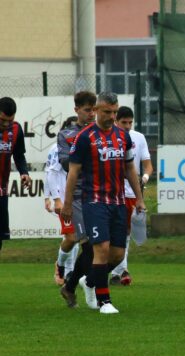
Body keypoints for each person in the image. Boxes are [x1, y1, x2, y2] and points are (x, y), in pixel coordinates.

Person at [62, 92, 145, 314]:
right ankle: (104, 301)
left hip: (118, 202)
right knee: (101, 249)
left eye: (115, 112)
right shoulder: (84, 137)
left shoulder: (123, 136)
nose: (112, 116)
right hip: (94, 201)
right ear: (96, 110)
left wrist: (139, 198)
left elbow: (129, 168)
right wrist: (67, 204)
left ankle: (89, 281)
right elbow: (73, 173)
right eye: (107, 111)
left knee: (117, 255)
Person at [57, 91, 97, 308]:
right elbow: (65, 162)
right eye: (87, 110)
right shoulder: (67, 135)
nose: (91, 114)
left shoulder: (101, 132)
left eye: (94, 110)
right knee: (90, 247)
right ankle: (76, 286)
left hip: (100, 194)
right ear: (77, 110)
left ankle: (71, 286)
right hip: (79, 196)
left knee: (103, 248)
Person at [109, 106, 153, 286]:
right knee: (111, 232)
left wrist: (145, 177)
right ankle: (115, 269)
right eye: (123, 122)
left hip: (131, 192)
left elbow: (148, 166)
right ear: (115, 121)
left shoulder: (138, 138)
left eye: (130, 122)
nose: (127, 126)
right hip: (111, 192)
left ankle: (120, 270)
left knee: (126, 231)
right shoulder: (108, 137)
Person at [43, 138, 79, 285]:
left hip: (83, 198)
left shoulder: (89, 142)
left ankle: (69, 270)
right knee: (72, 237)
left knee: (78, 237)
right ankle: (64, 267)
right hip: (65, 199)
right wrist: (50, 197)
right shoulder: (57, 149)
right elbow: (49, 172)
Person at [0, 97, 32, 252]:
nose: (6, 124)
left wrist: (24, 173)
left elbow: (19, 155)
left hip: (1, 191)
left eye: (9, 120)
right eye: (2, 120)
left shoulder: (16, 129)